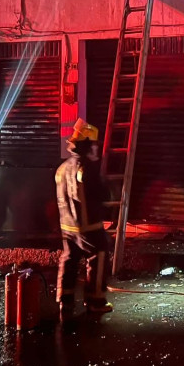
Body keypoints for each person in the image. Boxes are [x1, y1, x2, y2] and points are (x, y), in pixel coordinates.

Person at [55, 118, 114, 324]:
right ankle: (96, 301)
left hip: (67, 226)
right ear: (88, 144)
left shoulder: (62, 168)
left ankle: (65, 299)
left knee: (69, 259)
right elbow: (96, 192)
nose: (96, 148)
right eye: (94, 144)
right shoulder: (85, 167)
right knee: (99, 254)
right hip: (87, 226)